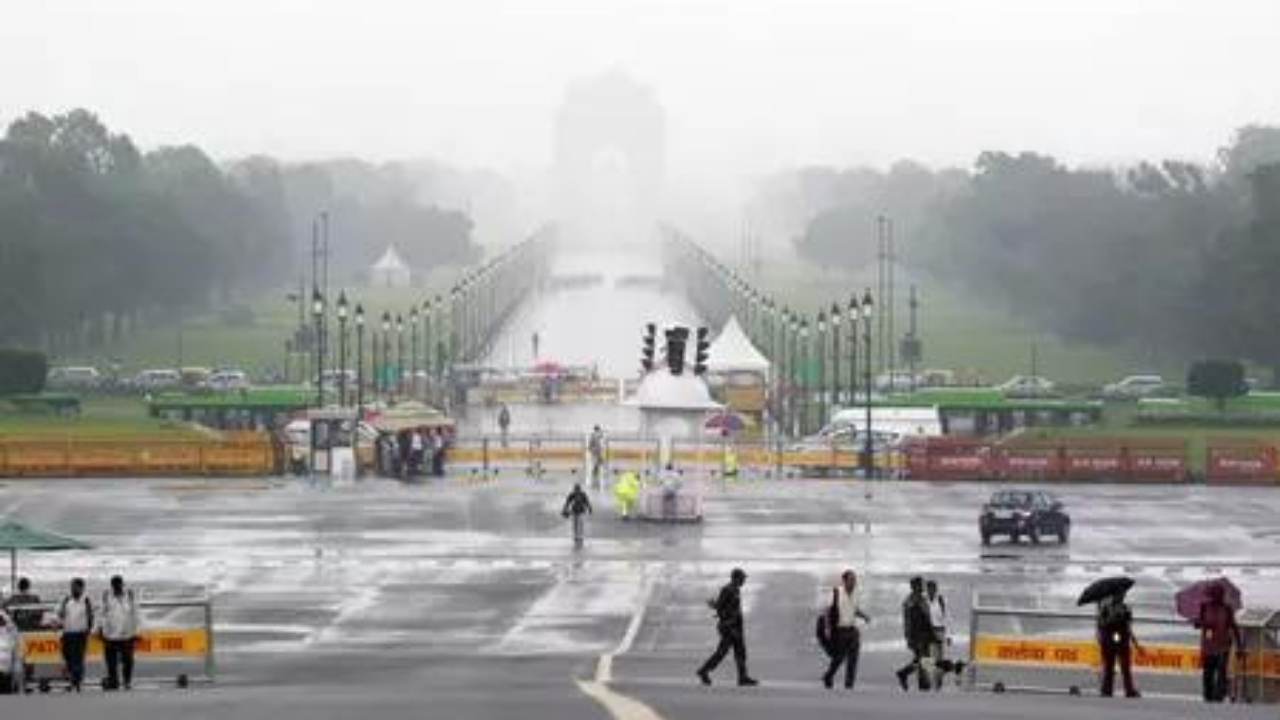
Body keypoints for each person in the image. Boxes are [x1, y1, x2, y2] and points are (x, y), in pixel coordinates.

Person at [697, 568, 758, 687]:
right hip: (729, 627)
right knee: (722, 652)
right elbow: (721, 607)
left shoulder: (736, 590)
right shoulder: (727, 590)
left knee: (740, 652)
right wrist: (727, 621)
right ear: (736, 578)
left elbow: (728, 608)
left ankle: (742, 677)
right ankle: (704, 671)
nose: (744, 581)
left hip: (736, 626)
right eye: (742, 578)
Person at [822, 569, 870, 689]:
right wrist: (827, 628)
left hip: (852, 630)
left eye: (854, 580)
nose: (854, 582)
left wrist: (864, 616)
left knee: (853, 659)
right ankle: (829, 675)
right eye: (851, 579)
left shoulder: (856, 593)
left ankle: (849, 685)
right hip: (840, 630)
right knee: (839, 657)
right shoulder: (836, 593)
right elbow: (827, 611)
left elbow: (854, 609)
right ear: (844, 581)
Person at [1196, 584, 1242, 703]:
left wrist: (1239, 646)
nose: (1218, 597)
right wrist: (1204, 623)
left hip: (1223, 646)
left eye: (1220, 595)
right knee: (1208, 674)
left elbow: (1234, 626)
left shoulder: (1227, 608)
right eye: (1215, 595)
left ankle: (1218, 697)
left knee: (1221, 672)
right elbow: (1197, 624)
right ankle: (1208, 697)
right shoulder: (1204, 606)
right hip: (1208, 647)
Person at [1097, 592, 1141, 698]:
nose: (1121, 597)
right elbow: (1101, 624)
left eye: (1122, 595)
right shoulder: (1105, 608)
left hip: (1121, 639)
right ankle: (1107, 689)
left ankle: (1128, 690)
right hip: (1109, 639)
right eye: (1119, 595)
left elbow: (1129, 624)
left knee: (1125, 667)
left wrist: (1124, 616)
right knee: (1109, 666)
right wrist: (1111, 618)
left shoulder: (1125, 608)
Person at [100, 575, 140, 691]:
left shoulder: (129, 596)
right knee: (111, 661)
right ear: (112, 586)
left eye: (119, 585)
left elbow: (135, 613)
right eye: (115, 586)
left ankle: (127, 681)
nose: (117, 587)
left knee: (128, 660)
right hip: (110, 635)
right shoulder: (107, 596)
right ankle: (114, 682)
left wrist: (136, 631)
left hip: (127, 635)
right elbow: (101, 614)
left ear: (122, 585)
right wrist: (100, 629)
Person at [895, 577, 934, 691]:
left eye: (922, 584)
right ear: (914, 587)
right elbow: (907, 621)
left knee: (922, 659)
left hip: (925, 633)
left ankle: (905, 673)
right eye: (920, 585)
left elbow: (928, 617)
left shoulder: (922, 599)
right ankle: (924, 683)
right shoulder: (909, 602)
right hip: (916, 635)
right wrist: (908, 637)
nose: (922, 587)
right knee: (923, 658)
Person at [57, 578, 93, 692]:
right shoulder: (66, 599)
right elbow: (60, 615)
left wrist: (89, 630)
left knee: (78, 658)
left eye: (76, 587)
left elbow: (90, 616)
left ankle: (76, 681)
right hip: (67, 633)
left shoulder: (86, 600)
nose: (73, 589)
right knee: (68, 657)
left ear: (82, 588)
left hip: (81, 633)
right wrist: (63, 605)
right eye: (72, 587)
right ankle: (73, 679)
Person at [562, 483, 592, 547]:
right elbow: (587, 502)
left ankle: (578, 536)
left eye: (577, 489)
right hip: (577, 511)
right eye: (576, 489)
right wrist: (589, 509)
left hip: (578, 512)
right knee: (578, 525)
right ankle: (578, 536)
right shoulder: (577, 494)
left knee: (577, 525)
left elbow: (567, 502)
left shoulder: (578, 494)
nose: (577, 490)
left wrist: (565, 508)